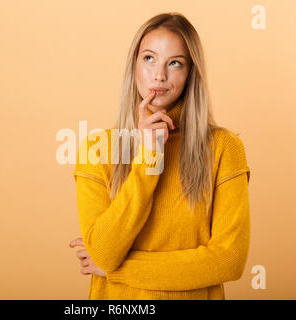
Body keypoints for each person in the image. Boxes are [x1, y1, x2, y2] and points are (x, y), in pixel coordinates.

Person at [69, 12, 251, 300]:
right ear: (134, 65)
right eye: (149, 58)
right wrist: (149, 158)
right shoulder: (97, 150)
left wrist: (118, 269)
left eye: (175, 63)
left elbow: (229, 260)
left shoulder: (225, 148)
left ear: (191, 72)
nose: (159, 75)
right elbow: (104, 251)